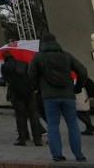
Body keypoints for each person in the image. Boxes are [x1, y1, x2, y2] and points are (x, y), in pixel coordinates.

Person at [29, 31, 89, 162]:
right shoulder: (66, 56)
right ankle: (79, 155)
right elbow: (83, 71)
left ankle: (57, 154)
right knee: (73, 124)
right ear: (56, 42)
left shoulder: (38, 57)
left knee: (52, 124)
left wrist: (40, 88)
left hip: (49, 96)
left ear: (42, 44)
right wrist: (77, 87)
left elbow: (31, 75)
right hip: (68, 94)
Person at [0, 50, 43, 146]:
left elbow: (6, 79)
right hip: (29, 92)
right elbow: (32, 75)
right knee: (33, 115)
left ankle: (22, 139)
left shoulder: (4, 67)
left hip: (16, 93)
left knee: (20, 116)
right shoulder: (23, 63)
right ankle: (37, 139)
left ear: (4, 57)